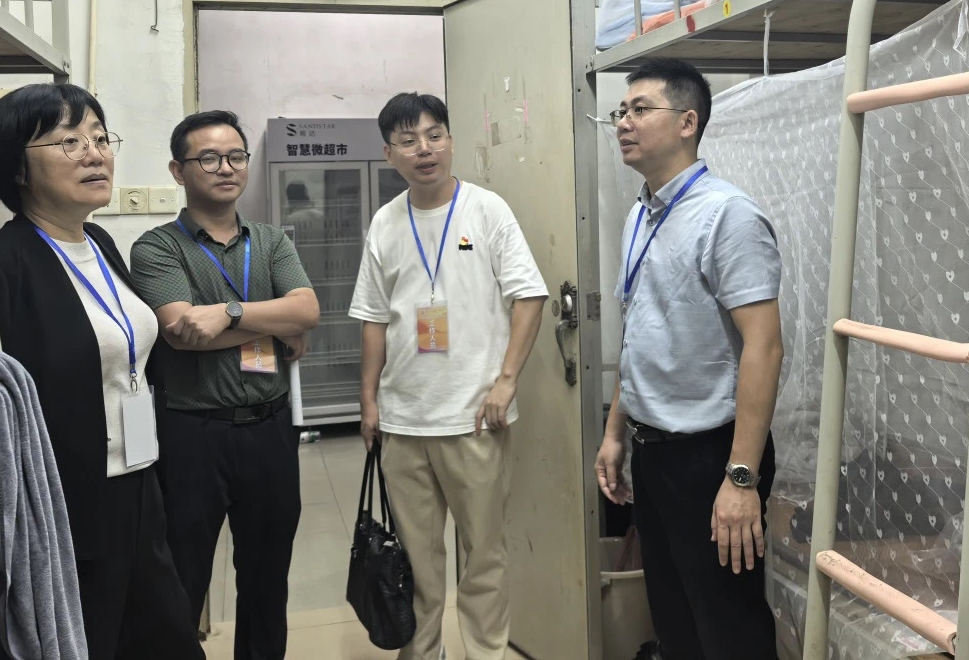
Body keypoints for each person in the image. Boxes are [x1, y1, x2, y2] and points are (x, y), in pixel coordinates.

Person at [0, 83, 204, 660]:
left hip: (138, 480)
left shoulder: (99, 243)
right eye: (68, 142)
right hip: (68, 502)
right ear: (17, 168)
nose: (94, 154)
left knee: (168, 637)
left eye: (100, 138)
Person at [594, 59, 785, 660]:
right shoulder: (641, 213)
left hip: (712, 456)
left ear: (687, 122)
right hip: (653, 452)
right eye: (621, 111)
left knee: (727, 627)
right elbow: (640, 334)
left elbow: (765, 347)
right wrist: (615, 432)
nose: (623, 122)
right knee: (675, 622)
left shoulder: (728, 215)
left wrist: (741, 479)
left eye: (640, 109)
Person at [350, 92, 548, 660]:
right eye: (408, 140)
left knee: (483, 556)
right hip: (404, 420)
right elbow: (373, 319)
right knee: (415, 561)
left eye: (434, 135)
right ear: (390, 154)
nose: (424, 149)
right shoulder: (386, 222)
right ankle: (423, 654)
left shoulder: (487, 210)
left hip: (474, 418)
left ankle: (486, 653)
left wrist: (506, 380)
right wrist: (369, 401)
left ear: (451, 141)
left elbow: (530, 296)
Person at [129, 110, 320, 660]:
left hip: (270, 430)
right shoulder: (157, 248)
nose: (225, 168)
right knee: (182, 575)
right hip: (194, 434)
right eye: (209, 158)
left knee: (267, 576)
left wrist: (228, 313)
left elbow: (307, 309)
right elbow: (183, 333)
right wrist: (274, 322)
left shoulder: (270, 240)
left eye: (236, 156)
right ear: (178, 170)